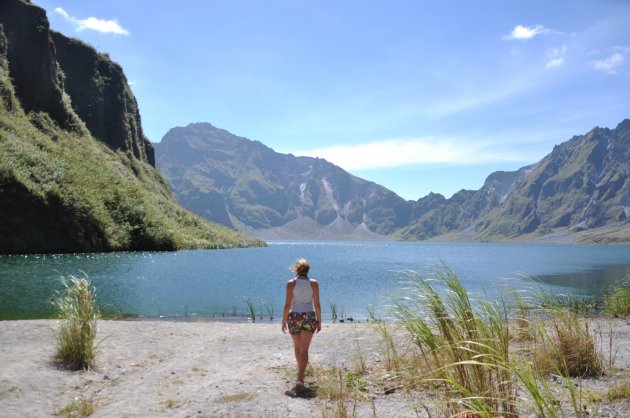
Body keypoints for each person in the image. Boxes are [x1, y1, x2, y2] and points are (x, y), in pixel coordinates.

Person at [281, 258, 321, 395]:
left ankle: (300, 378)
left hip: (294, 317)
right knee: (304, 350)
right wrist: (319, 320)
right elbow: (317, 305)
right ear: (308, 270)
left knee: (298, 348)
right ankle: (300, 378)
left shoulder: (290, 284)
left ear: (296, 270)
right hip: (308, 316)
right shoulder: (314, 284)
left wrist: (283, 320)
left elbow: (287, 305)